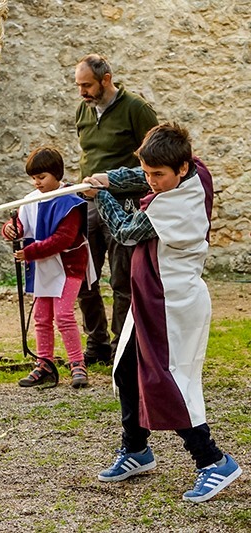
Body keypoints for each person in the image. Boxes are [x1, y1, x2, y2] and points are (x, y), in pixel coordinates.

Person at [82, 123, 242, 502]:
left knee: (167, 381)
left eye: (159, 176)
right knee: (125, 371)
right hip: (151, 297)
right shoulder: (192, 169)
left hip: (173, 303)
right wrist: (112, 176)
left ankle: (213, 461)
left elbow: (125, 231)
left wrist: (101, 193)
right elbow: (141, 173)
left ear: (182, 169)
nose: (151, 182)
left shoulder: (177, 203)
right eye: (149, 172)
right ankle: (136, 450)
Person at [75, 54, 158, 364]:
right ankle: (96, 344)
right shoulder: (83, 110)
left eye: (87, 85)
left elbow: (155, 157)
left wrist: (120, 186)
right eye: (79, 85)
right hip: (88, 203)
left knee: (122, 279)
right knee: (84, 277)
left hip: (124, 205)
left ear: (106, 79)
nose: (82, 92)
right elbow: (87, 155)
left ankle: (120, 348)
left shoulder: (136, 109)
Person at [1, 147, 95, 389]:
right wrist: (11, 230)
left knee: (63, 315)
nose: (36, 182)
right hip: (43, 267)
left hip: (68, 265)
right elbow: (21, 225)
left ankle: (77, 363)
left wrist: (30, 252)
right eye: (33, 178)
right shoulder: (30, 200)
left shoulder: (70, 201)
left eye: (41, 177)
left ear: (56, 174)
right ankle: (44, 364)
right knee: (42, 317)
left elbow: (63, 238)